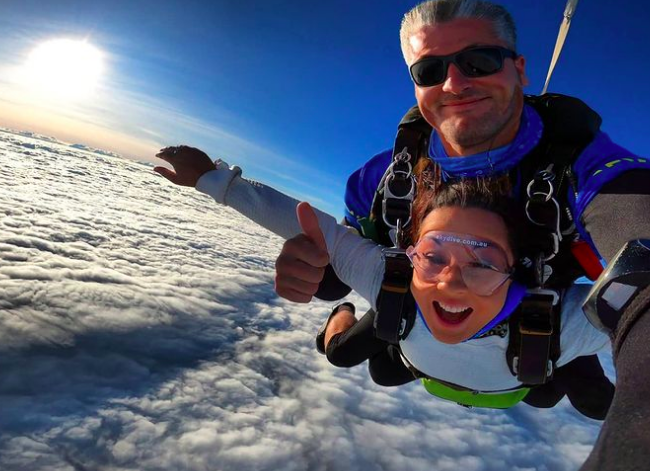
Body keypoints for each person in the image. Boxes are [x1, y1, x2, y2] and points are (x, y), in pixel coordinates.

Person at [268, 0, 650, 468]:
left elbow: (641, 250)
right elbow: (347, 255)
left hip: (535, 324)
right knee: (366, 361)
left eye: (479, 61)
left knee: (560, 394)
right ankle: (343, 322)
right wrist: (318, 272)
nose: (454, 83)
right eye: (429, 70)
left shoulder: (585, 170)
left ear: (521, 69)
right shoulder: (384, 179)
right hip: (419, 313)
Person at [154, 146, 611, 415]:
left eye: (483, 263)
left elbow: (637, 308)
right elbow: (310, 225)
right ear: (411, 254)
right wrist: (212, 179)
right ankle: (343, 313)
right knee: (346, 354)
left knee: (585, 399)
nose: (450, 282)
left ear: (520, 270)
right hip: (421, 348)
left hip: (508, 371)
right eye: (433, 256)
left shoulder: (561, 321)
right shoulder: (389, 278)